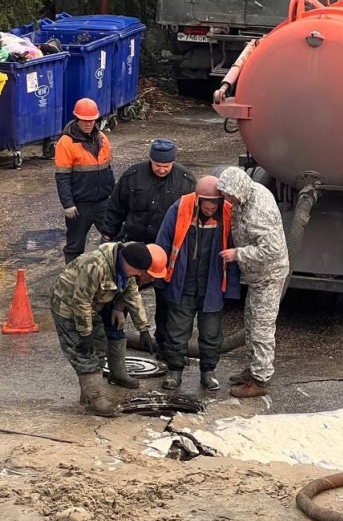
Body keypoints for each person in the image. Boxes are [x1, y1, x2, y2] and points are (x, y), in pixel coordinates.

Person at [101, 138, 196, 359]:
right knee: (118, 296)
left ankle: (164, 347)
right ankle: (111, 343)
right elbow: (115, 207)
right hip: (133, 249)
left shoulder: (186, 181)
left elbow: (192, 218)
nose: (162, 170)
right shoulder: (133, 176)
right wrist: (107, 235)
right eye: (157, 165)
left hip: (166, 253)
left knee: (166, 302)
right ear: (150, 160)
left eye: (167, 166)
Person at [50, 241, 167, 416]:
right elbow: (81, 301)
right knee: (83, 351)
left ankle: (88, 395)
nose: (140, 275)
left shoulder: (124, 270)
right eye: (138, 271)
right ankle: (96, 399)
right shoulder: (95, 265)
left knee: (98, 347)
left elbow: (132, 295)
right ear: (128, 263)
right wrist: (85, 333)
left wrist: (143, 329)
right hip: (68, 307)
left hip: (92, 306)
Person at [155, 175, 241, 392]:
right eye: (206, 204)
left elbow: (233, 257)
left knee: (211, 332)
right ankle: (174, 371)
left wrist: (231, 291)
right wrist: (159, 278)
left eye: (214, 205)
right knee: (176, 330)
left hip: (212, 287)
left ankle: (208, 372)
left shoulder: (228, 214)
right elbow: (163, 243)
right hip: (182, 284)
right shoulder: (180, 208)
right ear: (198, 200)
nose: (210, 209)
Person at [216, 166, 289, 398]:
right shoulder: (248, 195)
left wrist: (238, 254)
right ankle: (254, 368)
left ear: (239, 191)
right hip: (257, 275)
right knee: (250, 322)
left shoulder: (259, 210)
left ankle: (261, 380)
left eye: (229, 196)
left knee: (261, 328)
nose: (227, 200)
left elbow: (272, 249)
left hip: (268, 275)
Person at [54, 98, 115, 265]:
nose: (88, 124)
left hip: (103, 202)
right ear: (77, 118)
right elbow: (62, 176)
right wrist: (67, 204)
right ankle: (71, 280)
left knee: (113, 241)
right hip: (80, 206)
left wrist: (114, 197)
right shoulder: (66, 143)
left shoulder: (102, 139)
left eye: (91, 120)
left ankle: (109, 278)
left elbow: (108, 170)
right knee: (75, 245)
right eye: (84, 120)